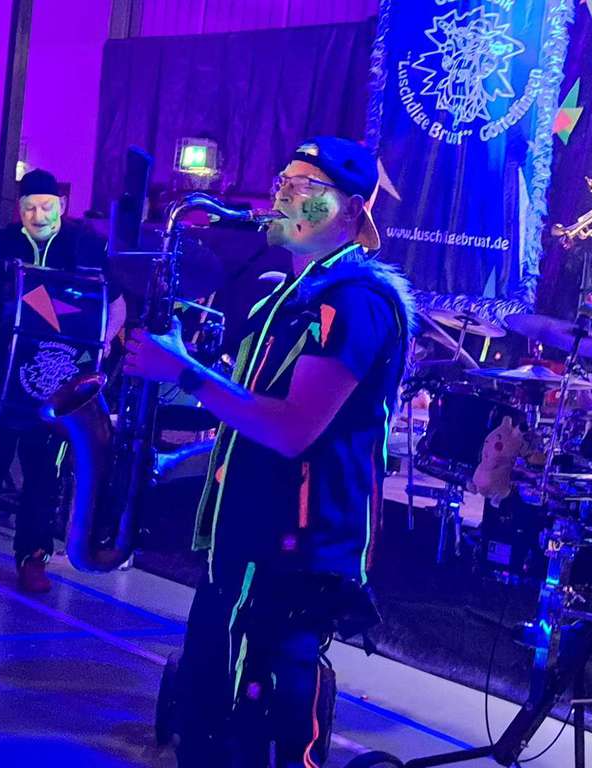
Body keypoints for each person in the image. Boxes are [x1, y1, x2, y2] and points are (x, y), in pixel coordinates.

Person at [124, 136, 413, 768]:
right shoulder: (286, 294)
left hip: (295, 544)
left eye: (305, 187)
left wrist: (183, 372)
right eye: (283, 179)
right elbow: (249, 415)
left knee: (261, 720)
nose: (282, 194)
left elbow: (292, 430)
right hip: (251, 529)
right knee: (210, 707)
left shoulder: (354, 302)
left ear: (351, 209)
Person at [0, 169, 126, 594]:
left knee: (44, 476)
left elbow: (115, 304)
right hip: (2, 380)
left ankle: (33, 557)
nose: (38, 216)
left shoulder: (85, 246)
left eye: (46, 207)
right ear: (18, 210)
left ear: (62, 205)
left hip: (59, 385)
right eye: (29, 208)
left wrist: (98, 349)